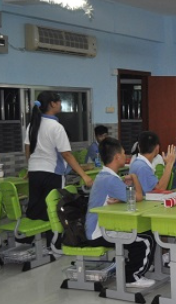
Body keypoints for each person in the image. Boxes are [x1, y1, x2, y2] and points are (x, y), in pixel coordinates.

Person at [84, 137, 156, 288]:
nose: (127, 157)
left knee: (144, 233)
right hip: (99, 232)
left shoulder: (106, 176)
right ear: (117, 157)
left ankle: (135, 269)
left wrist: (123, 194)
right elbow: (138, 197)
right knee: (145, 239)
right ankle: (131, 277)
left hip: (102, 226)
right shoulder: (110, 179)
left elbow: (123, 196)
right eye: (124, 153)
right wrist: (135, 178)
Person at [25, 91, 93, 222]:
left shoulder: (31, 125)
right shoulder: (56, 127)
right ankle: (53, 241)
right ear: (52, 104)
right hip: (52, 173)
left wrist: (30, 167)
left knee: (36, 208)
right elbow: (66, 154)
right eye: (59, 101)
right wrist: (84, 175)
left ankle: (36, 238)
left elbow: (28, 149)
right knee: (55, 209)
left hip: (34, 173)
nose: (60, 104)